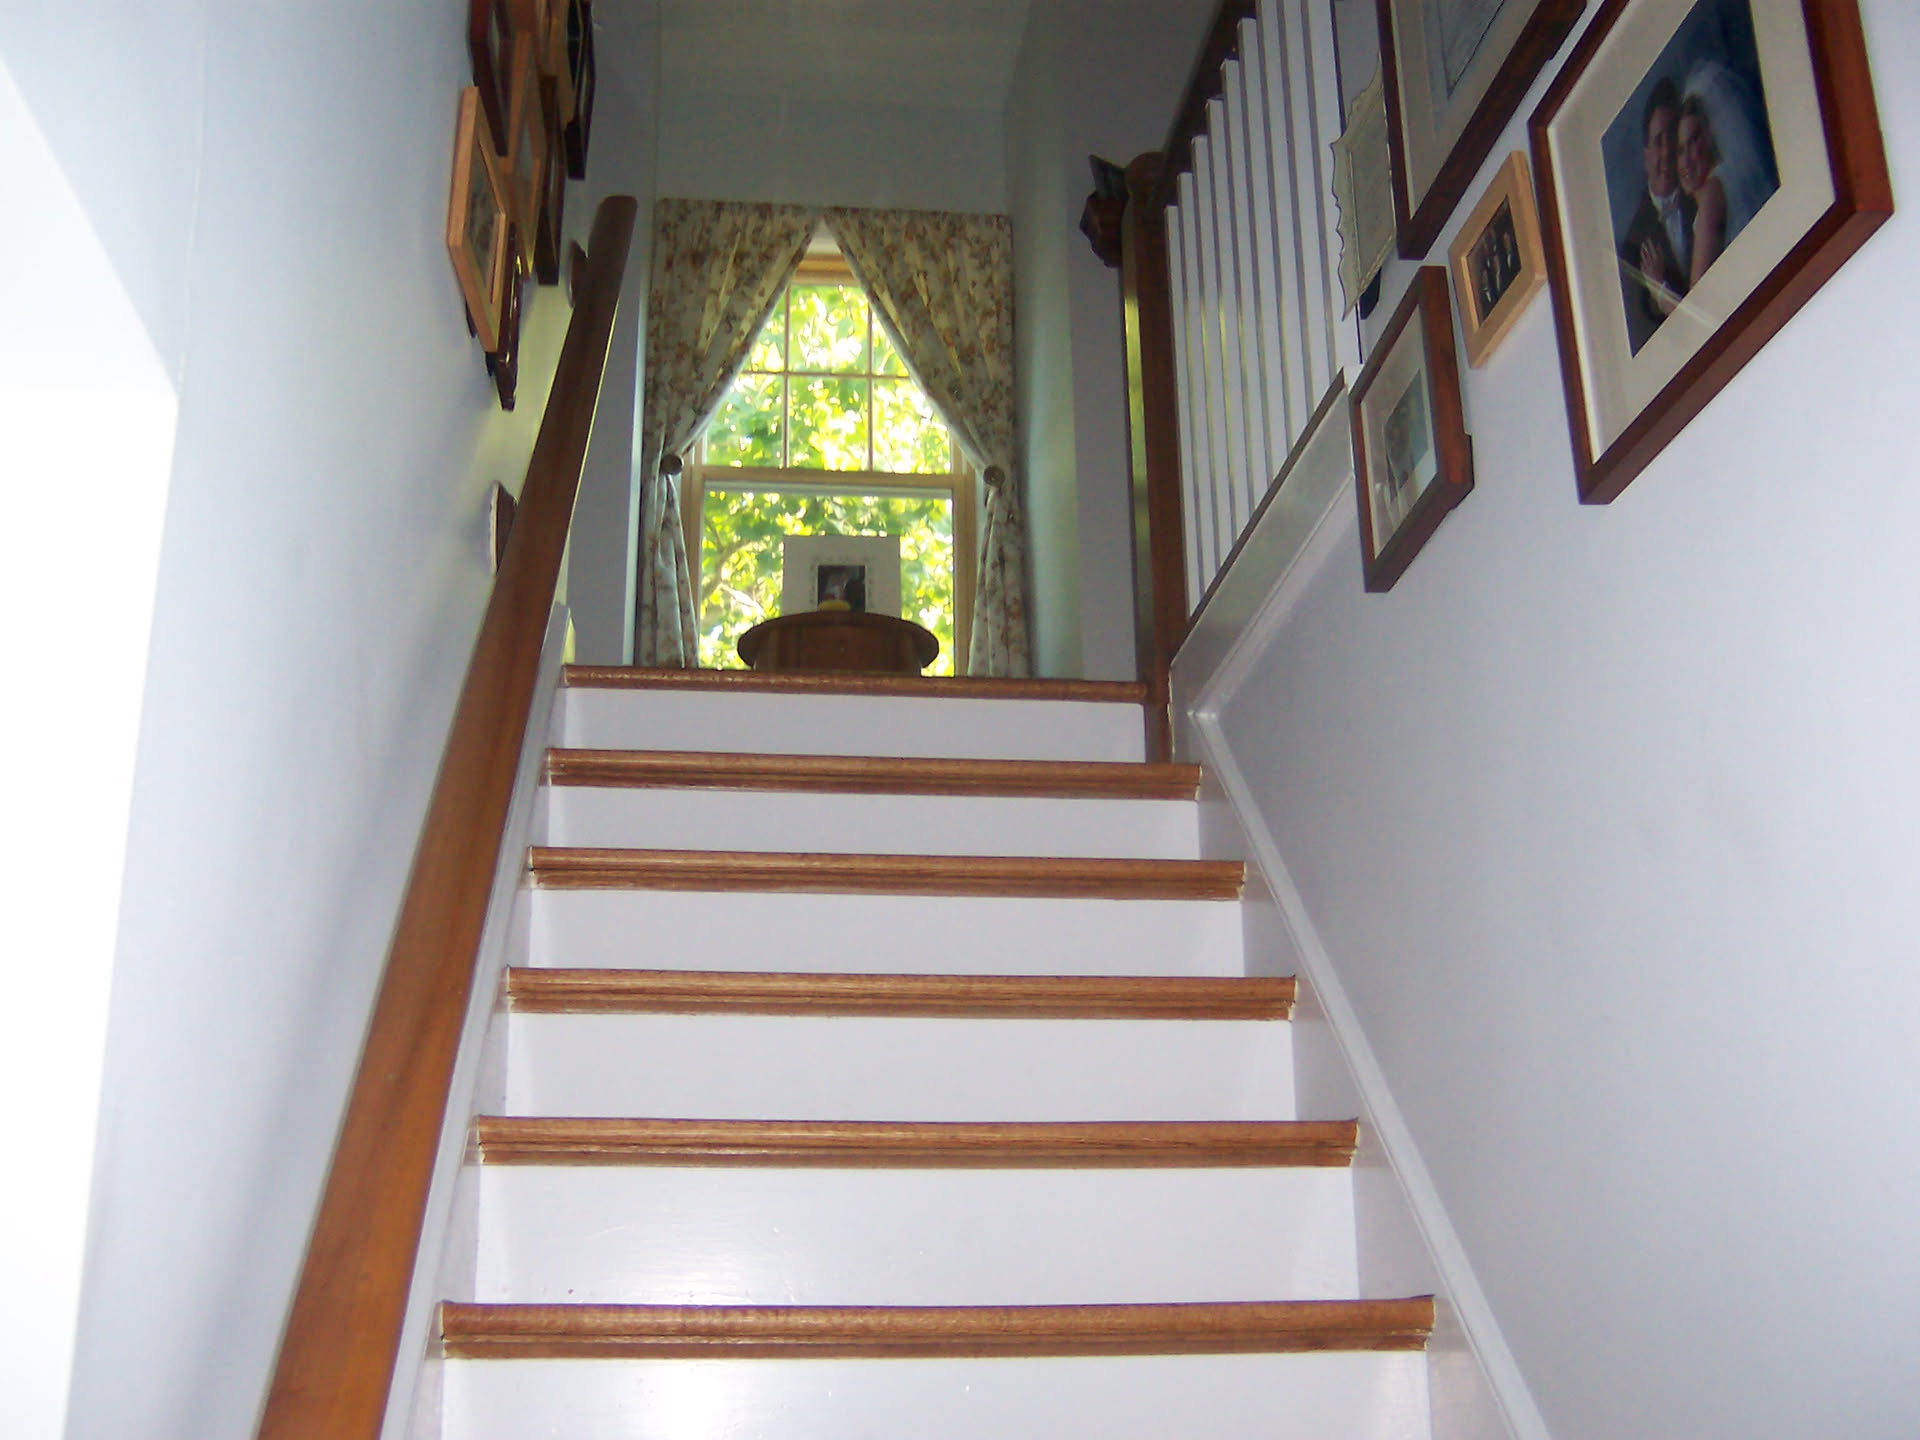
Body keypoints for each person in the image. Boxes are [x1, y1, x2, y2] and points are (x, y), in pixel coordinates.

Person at [1617, 77, 1694, 353]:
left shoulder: (1702, 195)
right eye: (1659, 141)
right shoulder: (1632, 246)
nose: (1667, 151)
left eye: (1672, 138)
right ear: (1646, 156)